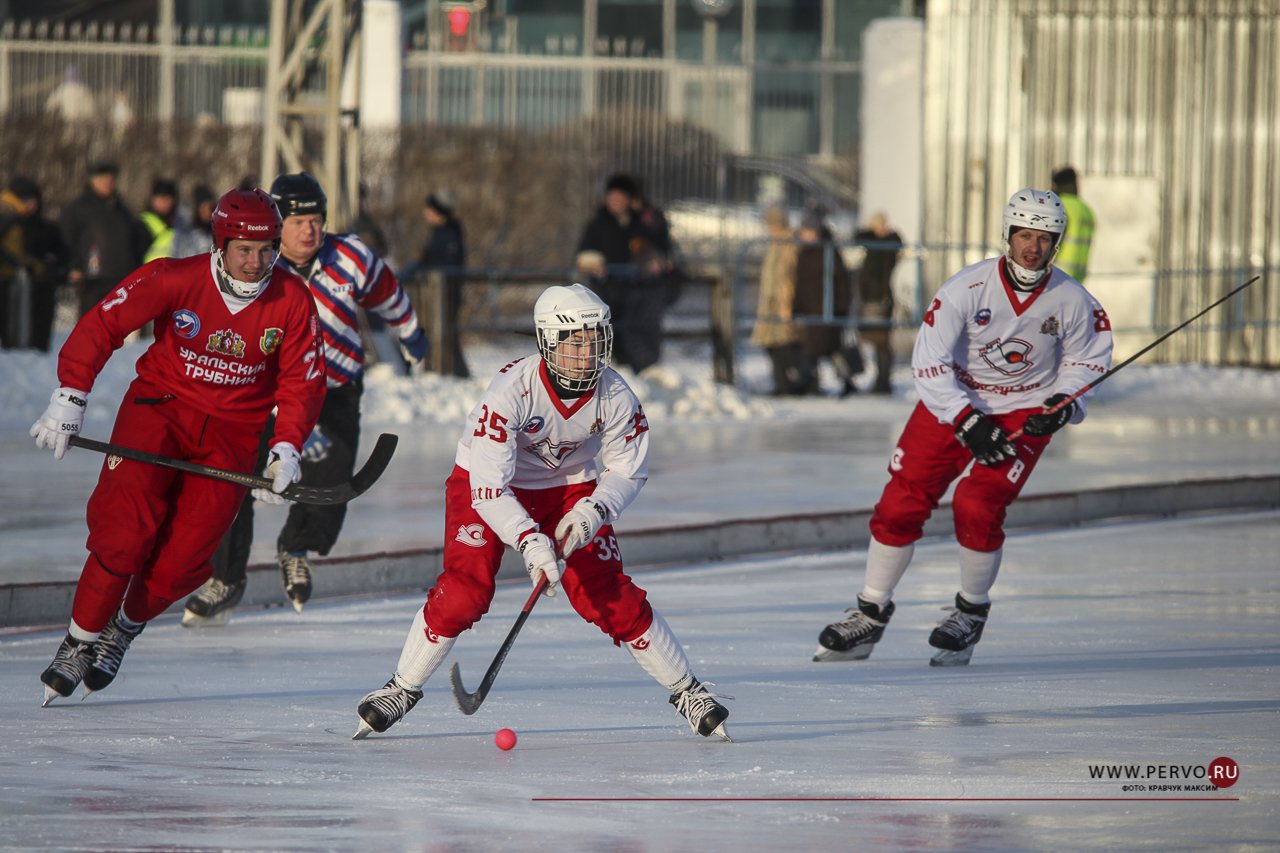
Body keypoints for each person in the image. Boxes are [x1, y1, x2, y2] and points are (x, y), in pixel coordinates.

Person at [351, 283, 731, 742]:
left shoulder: (616, 395)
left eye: (595, 338)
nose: (587, 351)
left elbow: (628, 471)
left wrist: (595, 509)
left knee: (606, 593)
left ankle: (687, 691)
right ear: (548, 343)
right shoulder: (511, 391)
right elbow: (489, 487)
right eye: (575, 340)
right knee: (465, 593)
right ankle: (401, 688)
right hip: (489, 485)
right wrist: (531, 542)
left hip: (570, 488)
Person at [31, 187, 327, 705]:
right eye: (244, 250)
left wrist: (286, 447)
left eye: (266, 251)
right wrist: (70, 394)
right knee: (124, 533)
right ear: (221, 243)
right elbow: (104, 324)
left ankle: (122, 628)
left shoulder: (292, 301)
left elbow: (303, 382)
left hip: (233, 434)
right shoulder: (174, 277)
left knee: (183, 558)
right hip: (159, 411)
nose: (256, 263)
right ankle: (77, 642)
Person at [814, 188, 1113, 667]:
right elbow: (928, 361)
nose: (1032, 247)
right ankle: (870, 611)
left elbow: (1087, 361)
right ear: (1007, 234)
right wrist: (967, 419)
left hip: (1024, 411)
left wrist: (1063, 404)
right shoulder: (966, 288)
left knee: (977, 503)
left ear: (1056, 243)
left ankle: (970, 611)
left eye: (1044, 237)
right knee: (901, 500)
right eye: (1024, 235)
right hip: (954, 403)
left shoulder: (1074, 300)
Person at [181, 172, 429, 625]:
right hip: (266, 395)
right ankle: (227, 578)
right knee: (234, 481)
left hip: (335, 392)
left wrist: (413, 336)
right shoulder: (259, 265)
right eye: (297, 222)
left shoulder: (350, 256)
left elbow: (389, 294)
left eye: (316, 220)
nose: (309, 230)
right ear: (277, 224)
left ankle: (296, 548)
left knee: (331, 482)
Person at [576, 173, 667, 374]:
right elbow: (584, 254)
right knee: (606, 329)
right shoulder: (598, 224)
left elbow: (653, 250)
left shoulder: (639, 225)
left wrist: (652, 262)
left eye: (621, 197)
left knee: (635, 330)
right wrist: (593, 264)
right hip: (605, 288)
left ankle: (638, 368)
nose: (616, 201)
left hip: (635, 290)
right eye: (613, 197)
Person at [59, 162, 145, 317]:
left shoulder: (122, 209)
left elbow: (134, 239)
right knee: (93, 321)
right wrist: (74, 265)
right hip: (93, 278)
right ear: (93, 181)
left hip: (122, 277)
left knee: (119, 324)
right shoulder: (79, 208)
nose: (108, 184)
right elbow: (66, 239)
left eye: (111, 180)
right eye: (103, 180)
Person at [400, 189, 469, 378]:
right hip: (436, 294)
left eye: (430, 209)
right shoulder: (441, 232)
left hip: (445, 295)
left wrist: (416, 269)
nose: (426, 213)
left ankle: (452, 373)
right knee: (440, 334)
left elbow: (440, 263)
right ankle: (442, 371)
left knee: (446, 336)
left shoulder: (449, 233)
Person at [792, 212, 860, 397]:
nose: (804, 236)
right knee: (822, 349)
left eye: (807, 232)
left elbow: (842, 282)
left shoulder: (829, 251)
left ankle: (810, 381)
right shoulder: (804, 253)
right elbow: (800, 283)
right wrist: (796, 305)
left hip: (829, 309)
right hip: (811, 308)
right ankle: (816, 382)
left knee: (824, 348)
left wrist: (842, 306)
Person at [750, 203, 809, 395]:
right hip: (769, 303)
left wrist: (786, 304)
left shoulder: (788, 243)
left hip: (780, 303)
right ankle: (782, 383)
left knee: (784, 345)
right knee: (772, 345)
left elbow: (787, 276)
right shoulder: (777, 243)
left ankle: (790, 383)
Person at [854, 212, 904, 394]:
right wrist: (870, 231)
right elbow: (858, 237)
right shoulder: (873, 243)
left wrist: (878, 234)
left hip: (881, 298)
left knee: (881, 342)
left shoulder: (888, 244)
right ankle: (880, 380)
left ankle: (884, 381)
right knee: (876, 341)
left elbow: (894, 242)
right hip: (871, 297)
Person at [0, 176, 42, 348]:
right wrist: (17, 262)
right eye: (33, 200)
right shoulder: (7, 214)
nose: (35, 205)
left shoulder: (12, 214)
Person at [1051, 166, 1096, 285]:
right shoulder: (1086, 210)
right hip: (1079, 277)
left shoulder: (1059, 205)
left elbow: (1053, 239)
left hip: (1057, 274)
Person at [139, 178, 181, 263]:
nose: (163, 203)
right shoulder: (142, 224)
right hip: (150, 274)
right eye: (160, 199)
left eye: (167, 199)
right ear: (153, 200)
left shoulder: (181, 224)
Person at [170, 184, 217, 259]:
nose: (208, 212)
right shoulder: (184, 233)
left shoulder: (214, 232)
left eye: (210, 208)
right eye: (203, 207)